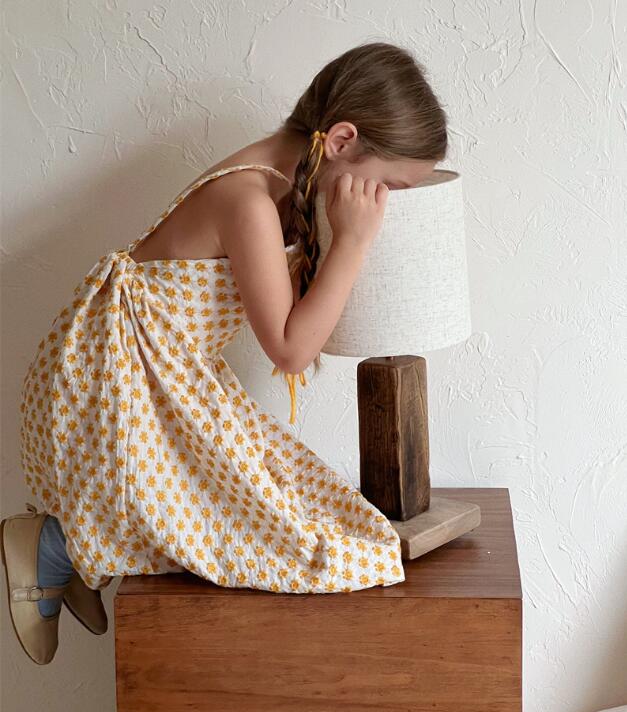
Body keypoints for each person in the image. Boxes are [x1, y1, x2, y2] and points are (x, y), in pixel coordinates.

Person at [1, 40, 448, 664]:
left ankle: (79, 552)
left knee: (306, 513)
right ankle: (54, 546)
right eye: (388, 187)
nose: (383, 205)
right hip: (117, 388)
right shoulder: (249, 201)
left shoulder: (277, 193)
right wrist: (353, 241)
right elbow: (291, 350)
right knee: (278, 540)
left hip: (156, 381)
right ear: (343, 141)